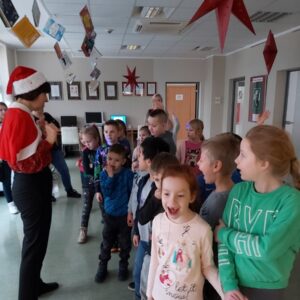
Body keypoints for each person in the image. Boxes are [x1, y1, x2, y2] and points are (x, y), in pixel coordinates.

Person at [215, 125, 300, 300]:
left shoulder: (292, 201)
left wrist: (224, 234)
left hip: (269, 290)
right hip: (232, 287)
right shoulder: (238, 191)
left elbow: (266, 249)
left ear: (264, 163)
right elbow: (224, 247)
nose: (236, 160)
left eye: (243, 155)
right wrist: (228, 285)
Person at [0, 66, 59, 299]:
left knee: (39, 241)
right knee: (33, 245)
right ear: (31, 91)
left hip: (34, 184)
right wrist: (50, 140)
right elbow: (26, 162)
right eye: (44, 93)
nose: (46, 98)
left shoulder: (23, 114)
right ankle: (27, 293)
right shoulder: (18, 116)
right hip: (30, 185)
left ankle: (35, 283)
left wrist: (42, 128)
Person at [146, 165, 224, 300]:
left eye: (180, 195)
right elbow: (155, 260)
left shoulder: (202, 229)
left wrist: (225, 294)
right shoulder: (158, 221)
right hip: (159, 295)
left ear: (191, 196)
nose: (172, 201)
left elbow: (208, 267)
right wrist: (149, 292)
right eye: (166, 194)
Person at [197, 133, 240, 300]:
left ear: (216, 166)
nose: (198, 164)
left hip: (214, 268)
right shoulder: (232, 192)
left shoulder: (219, 201)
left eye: (202, 159)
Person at [130, 136, 170, 299]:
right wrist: (135, 231)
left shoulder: (163, 187)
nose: (137, 157)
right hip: (144, 238)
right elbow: (140, 210)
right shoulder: (144, 179)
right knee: (138, 274)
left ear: (151, 160)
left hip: (157, 242)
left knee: (150, 279)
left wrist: (156, 198)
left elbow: (146, 215)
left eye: (140, 154)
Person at [95, 144, 134, 282]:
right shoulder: (104, 174)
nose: (112, 163)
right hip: (110, 215)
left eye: (117, 160)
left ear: (123, 161)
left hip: (124, 216)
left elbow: (132, 194)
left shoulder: (128, 174)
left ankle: (123, 265)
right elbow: (107, 193)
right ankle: (102, 266)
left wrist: (131, 212)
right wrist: (110, 177)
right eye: (110, 159)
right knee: (106, 243)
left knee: (125, 244)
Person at [43, 111, 81, 199]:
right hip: (42, 151)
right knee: (45, 174)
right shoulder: (30, 117)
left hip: (54, 149)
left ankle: (69, 190)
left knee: (64, 170)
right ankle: (48, 194)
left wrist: (46, 123)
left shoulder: (46, 115)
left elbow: (57, 128)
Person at [77, 125, 102, 243]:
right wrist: (97, 170)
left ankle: (109, 229)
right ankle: (83, 229)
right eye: (84, 141)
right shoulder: (85, 152)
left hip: (102, 184)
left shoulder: (102, 150)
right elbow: (87, 170)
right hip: (88, 184)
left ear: (97, 138)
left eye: (89, 141)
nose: (87, 144)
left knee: (103, 206)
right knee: (87, 206)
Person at [0, 102, 19, 214]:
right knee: (6, 181)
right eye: (0, 110)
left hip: (15, 156)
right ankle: (10, 203)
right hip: (3, 157)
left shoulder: (11, 122)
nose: (3, 112)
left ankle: (17, 199)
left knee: (17, 179)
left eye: (5, 109)